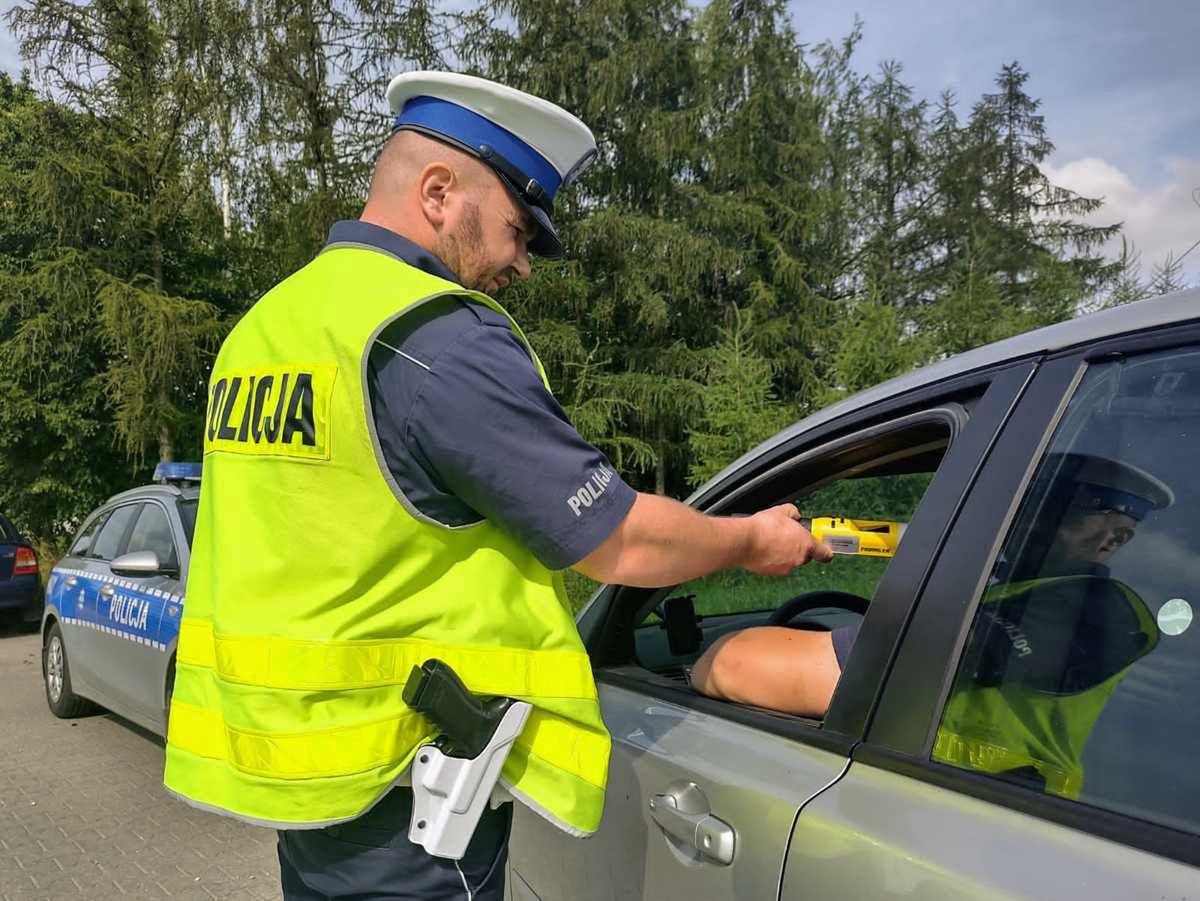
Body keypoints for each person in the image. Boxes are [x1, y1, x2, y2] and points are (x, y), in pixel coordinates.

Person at [162, 71, 831, 901]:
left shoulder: (265, 327)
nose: (521, 263)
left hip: (308, 789)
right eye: (518, 230)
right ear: (440, 191)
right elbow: (617, 539)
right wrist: (754, 539)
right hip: (414, 801)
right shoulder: (430, 335)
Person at [691, 453, 1172, 797]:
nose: (1116, 534)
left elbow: (730, 666)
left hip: (989, 814)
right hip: (952, 801)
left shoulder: (1089, 611)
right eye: (1099, 513)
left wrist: (742, 549)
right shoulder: (1012, 587)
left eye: (1125, 526)